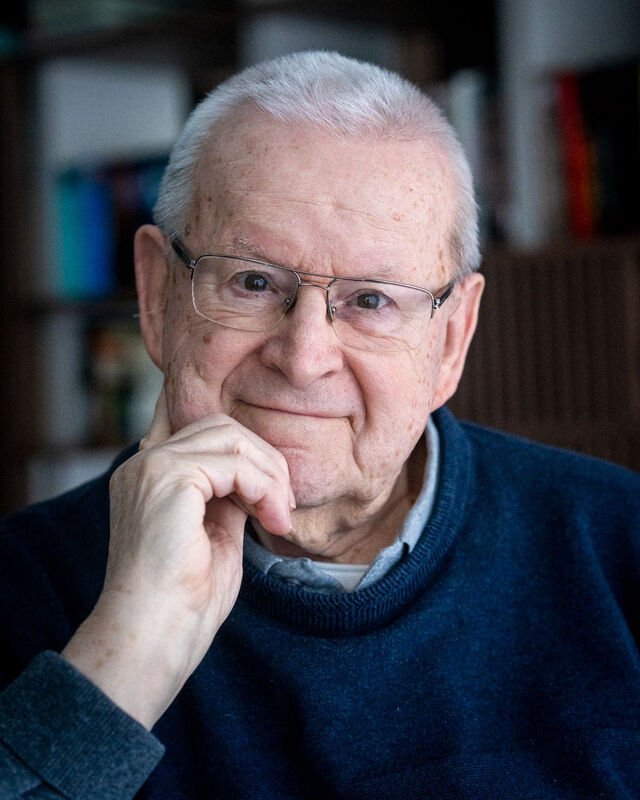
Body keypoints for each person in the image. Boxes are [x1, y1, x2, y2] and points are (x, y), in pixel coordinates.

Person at [0, 50, 638, 800]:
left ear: (451, 340)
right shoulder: (19, 584)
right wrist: (127, 656)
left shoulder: (621, 544)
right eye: (253, 281)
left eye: (371, 300)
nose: (304, 359)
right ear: (157, 294)